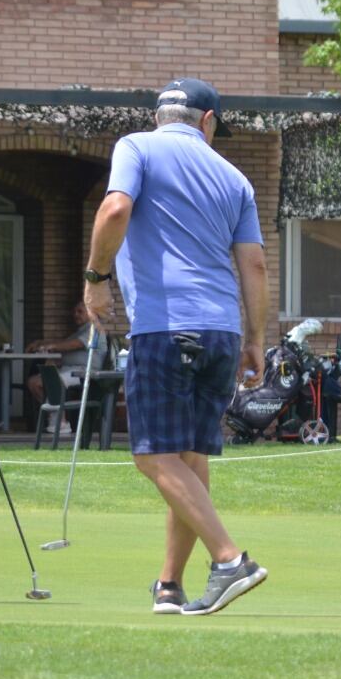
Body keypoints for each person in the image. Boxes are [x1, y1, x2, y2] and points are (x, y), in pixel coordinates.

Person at [83, 78, 270, 616]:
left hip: (165, 327)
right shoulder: (234, 177)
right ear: (207, 121)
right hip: (221, 331)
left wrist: (96, 278)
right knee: (189, 456)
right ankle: (170, 584)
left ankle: (230, 559)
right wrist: (256, 340)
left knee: (152, 455)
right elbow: (254, 264)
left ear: (161, 115)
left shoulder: (135, 146)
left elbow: (115, 209)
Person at [25, 300, 109, 417]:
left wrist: (51, 347)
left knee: (47, 382)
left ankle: (60, 421)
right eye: (74, 312)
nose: (75, 314)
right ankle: (57, 417)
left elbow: (75, 344)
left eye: (80, 312)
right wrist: (40, 342)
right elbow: (64, 342)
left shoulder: (94, 329)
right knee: (33, 382)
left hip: (82, 373)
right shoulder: (81, 331)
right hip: (68, 370)